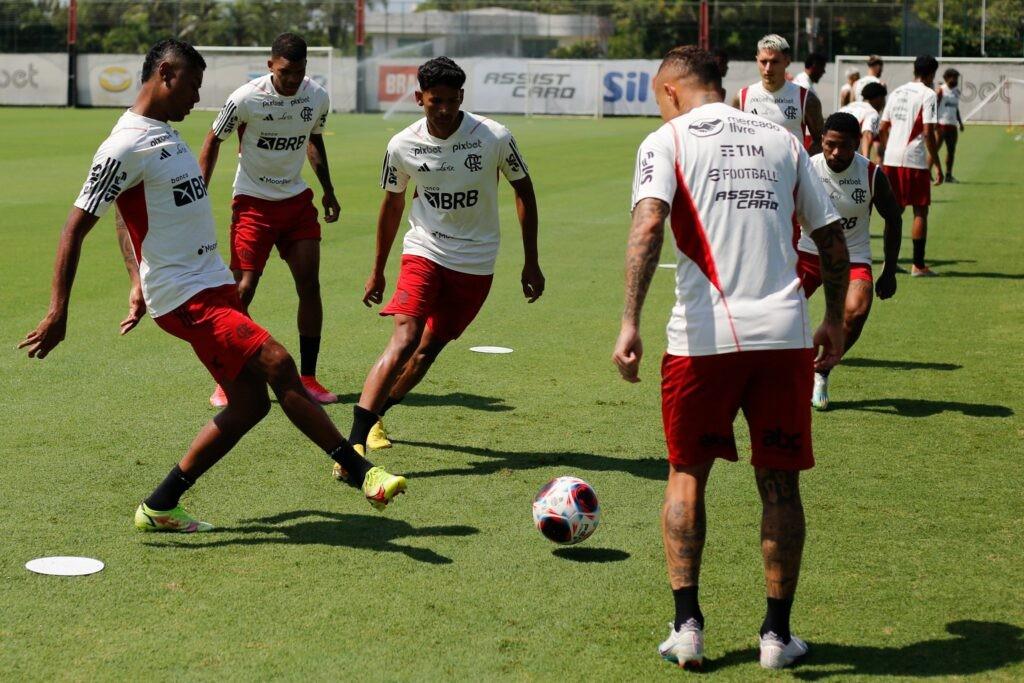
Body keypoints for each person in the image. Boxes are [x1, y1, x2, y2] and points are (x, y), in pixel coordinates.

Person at [19, 39, 406, 532]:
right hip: (185, 296)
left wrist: (136, 279)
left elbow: (125, 216)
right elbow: (76, 225)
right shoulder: (124, 143)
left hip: (211, 284)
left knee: (249, 404)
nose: (197, 98)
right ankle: (360, 471)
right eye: (193, 85)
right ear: (165, 73)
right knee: (279, 364)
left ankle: (160, 504)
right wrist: (59, 309)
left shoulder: (163, 132)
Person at [615, 45, 848, 670]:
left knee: (687, 473)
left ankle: (687, 627)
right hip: (784, 337)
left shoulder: (665, 141)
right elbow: (830, 236)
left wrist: (630, 320)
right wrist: (831, 319)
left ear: (669, 91)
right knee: (779, 485)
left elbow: (646, 229)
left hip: (702, 341)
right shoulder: (782, 141)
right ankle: (777, 637)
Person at [343, 56, 543, 465]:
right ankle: (354, 443)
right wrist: (378, 268)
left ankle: (379, 415)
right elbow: (392, 204)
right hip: (425, 249)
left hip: (476, 260)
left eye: (453, 100)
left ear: (462, 97)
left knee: (426, 351)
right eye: (436, 101)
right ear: (420, 97)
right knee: (405, 338)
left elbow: (524, 190)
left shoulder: (493, 136)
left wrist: (531, 261)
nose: (446, 109)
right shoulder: (402, 144)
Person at [199, 33, 338, 408]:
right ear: (270, 65)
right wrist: (198, 193)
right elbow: (214, 140)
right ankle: (228, 378)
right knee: (241, 290)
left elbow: (314, 139)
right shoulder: (246, 98)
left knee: (310, 285)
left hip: (295, 203)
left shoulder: (317, 97)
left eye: (299, 71)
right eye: (286, 71)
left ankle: (308, 377)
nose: (293, 79)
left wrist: (328, 189)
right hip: (252, 204)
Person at [796, 112, 903, 410]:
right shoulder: (806, 168)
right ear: (821, 141)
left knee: (856, 311)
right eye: (830, 145)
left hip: (851, 255)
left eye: (844, 146)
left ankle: (821, 372)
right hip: (806, 251)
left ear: (857, 143)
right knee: (777, 311)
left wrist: (890, 271)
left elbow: (893, 218)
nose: (836, 153)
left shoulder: (871, 174)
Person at [879, 54, 943, 277]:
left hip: (891, 159)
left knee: (894, 212)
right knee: (920, 210)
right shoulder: (928, 94)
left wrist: (890, 149)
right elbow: (928, 132)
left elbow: (883, 127)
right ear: (931, 74)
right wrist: (937, 163)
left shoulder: (896, 92)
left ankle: (889, 262)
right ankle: (918, 264)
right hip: (913, 160)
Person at [733, 34, 824, 154]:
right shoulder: (742, 97)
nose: (768, 68)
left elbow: (821, 141)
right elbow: (733, 139)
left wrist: (804, 164)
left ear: (787, 61)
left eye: (774, 62)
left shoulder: (806, 99)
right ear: (757, 60)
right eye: (763, 61)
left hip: (790, 172)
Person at [840, 81, 887, 159]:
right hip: (847, 155)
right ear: (879, 98)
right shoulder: (871, 112)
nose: (883, 103)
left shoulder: (846, 107)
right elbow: (867, 134)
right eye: (883, 99)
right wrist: (866, 162)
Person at [936, 68, 965, 182]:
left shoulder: (957, 91)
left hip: (952, 125)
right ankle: (926, 172)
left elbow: (955, 108)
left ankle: (948, 175)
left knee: (951, 151)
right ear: (947, 78)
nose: (956, 79)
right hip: (941, 124)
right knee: (935, 149)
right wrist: (934, 122)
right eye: (954, 77)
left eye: (957, 77)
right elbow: (934, 106)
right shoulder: (941, 91)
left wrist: (960, 122)